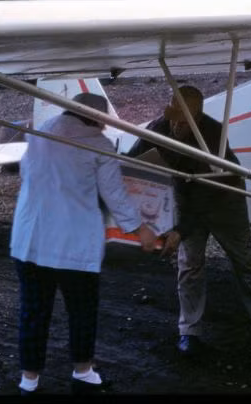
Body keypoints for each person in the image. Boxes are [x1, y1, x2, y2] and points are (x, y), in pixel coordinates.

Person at [124, 85, 251, 357]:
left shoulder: (213, 134)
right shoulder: (159, 128)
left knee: (245, 260)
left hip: (223, 197)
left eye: (184, 121)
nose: (176, 125)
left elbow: (206, 196)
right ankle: (189, 331)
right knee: (189, 265)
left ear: (198, 116)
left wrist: (179, 230)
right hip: (186, 196)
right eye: (173, 117)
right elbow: (131, 161)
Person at [10, 92, 157, 396]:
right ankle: (83, 372)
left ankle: (29, 380)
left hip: (30, 239)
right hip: (73, 243)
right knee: (81, 310)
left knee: (33, 311)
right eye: (102, 122)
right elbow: (114, 194)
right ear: (94, 118)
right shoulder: (98, 145)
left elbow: (25, 172)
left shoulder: (39, 135)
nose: (103, 128)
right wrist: (140, 229)